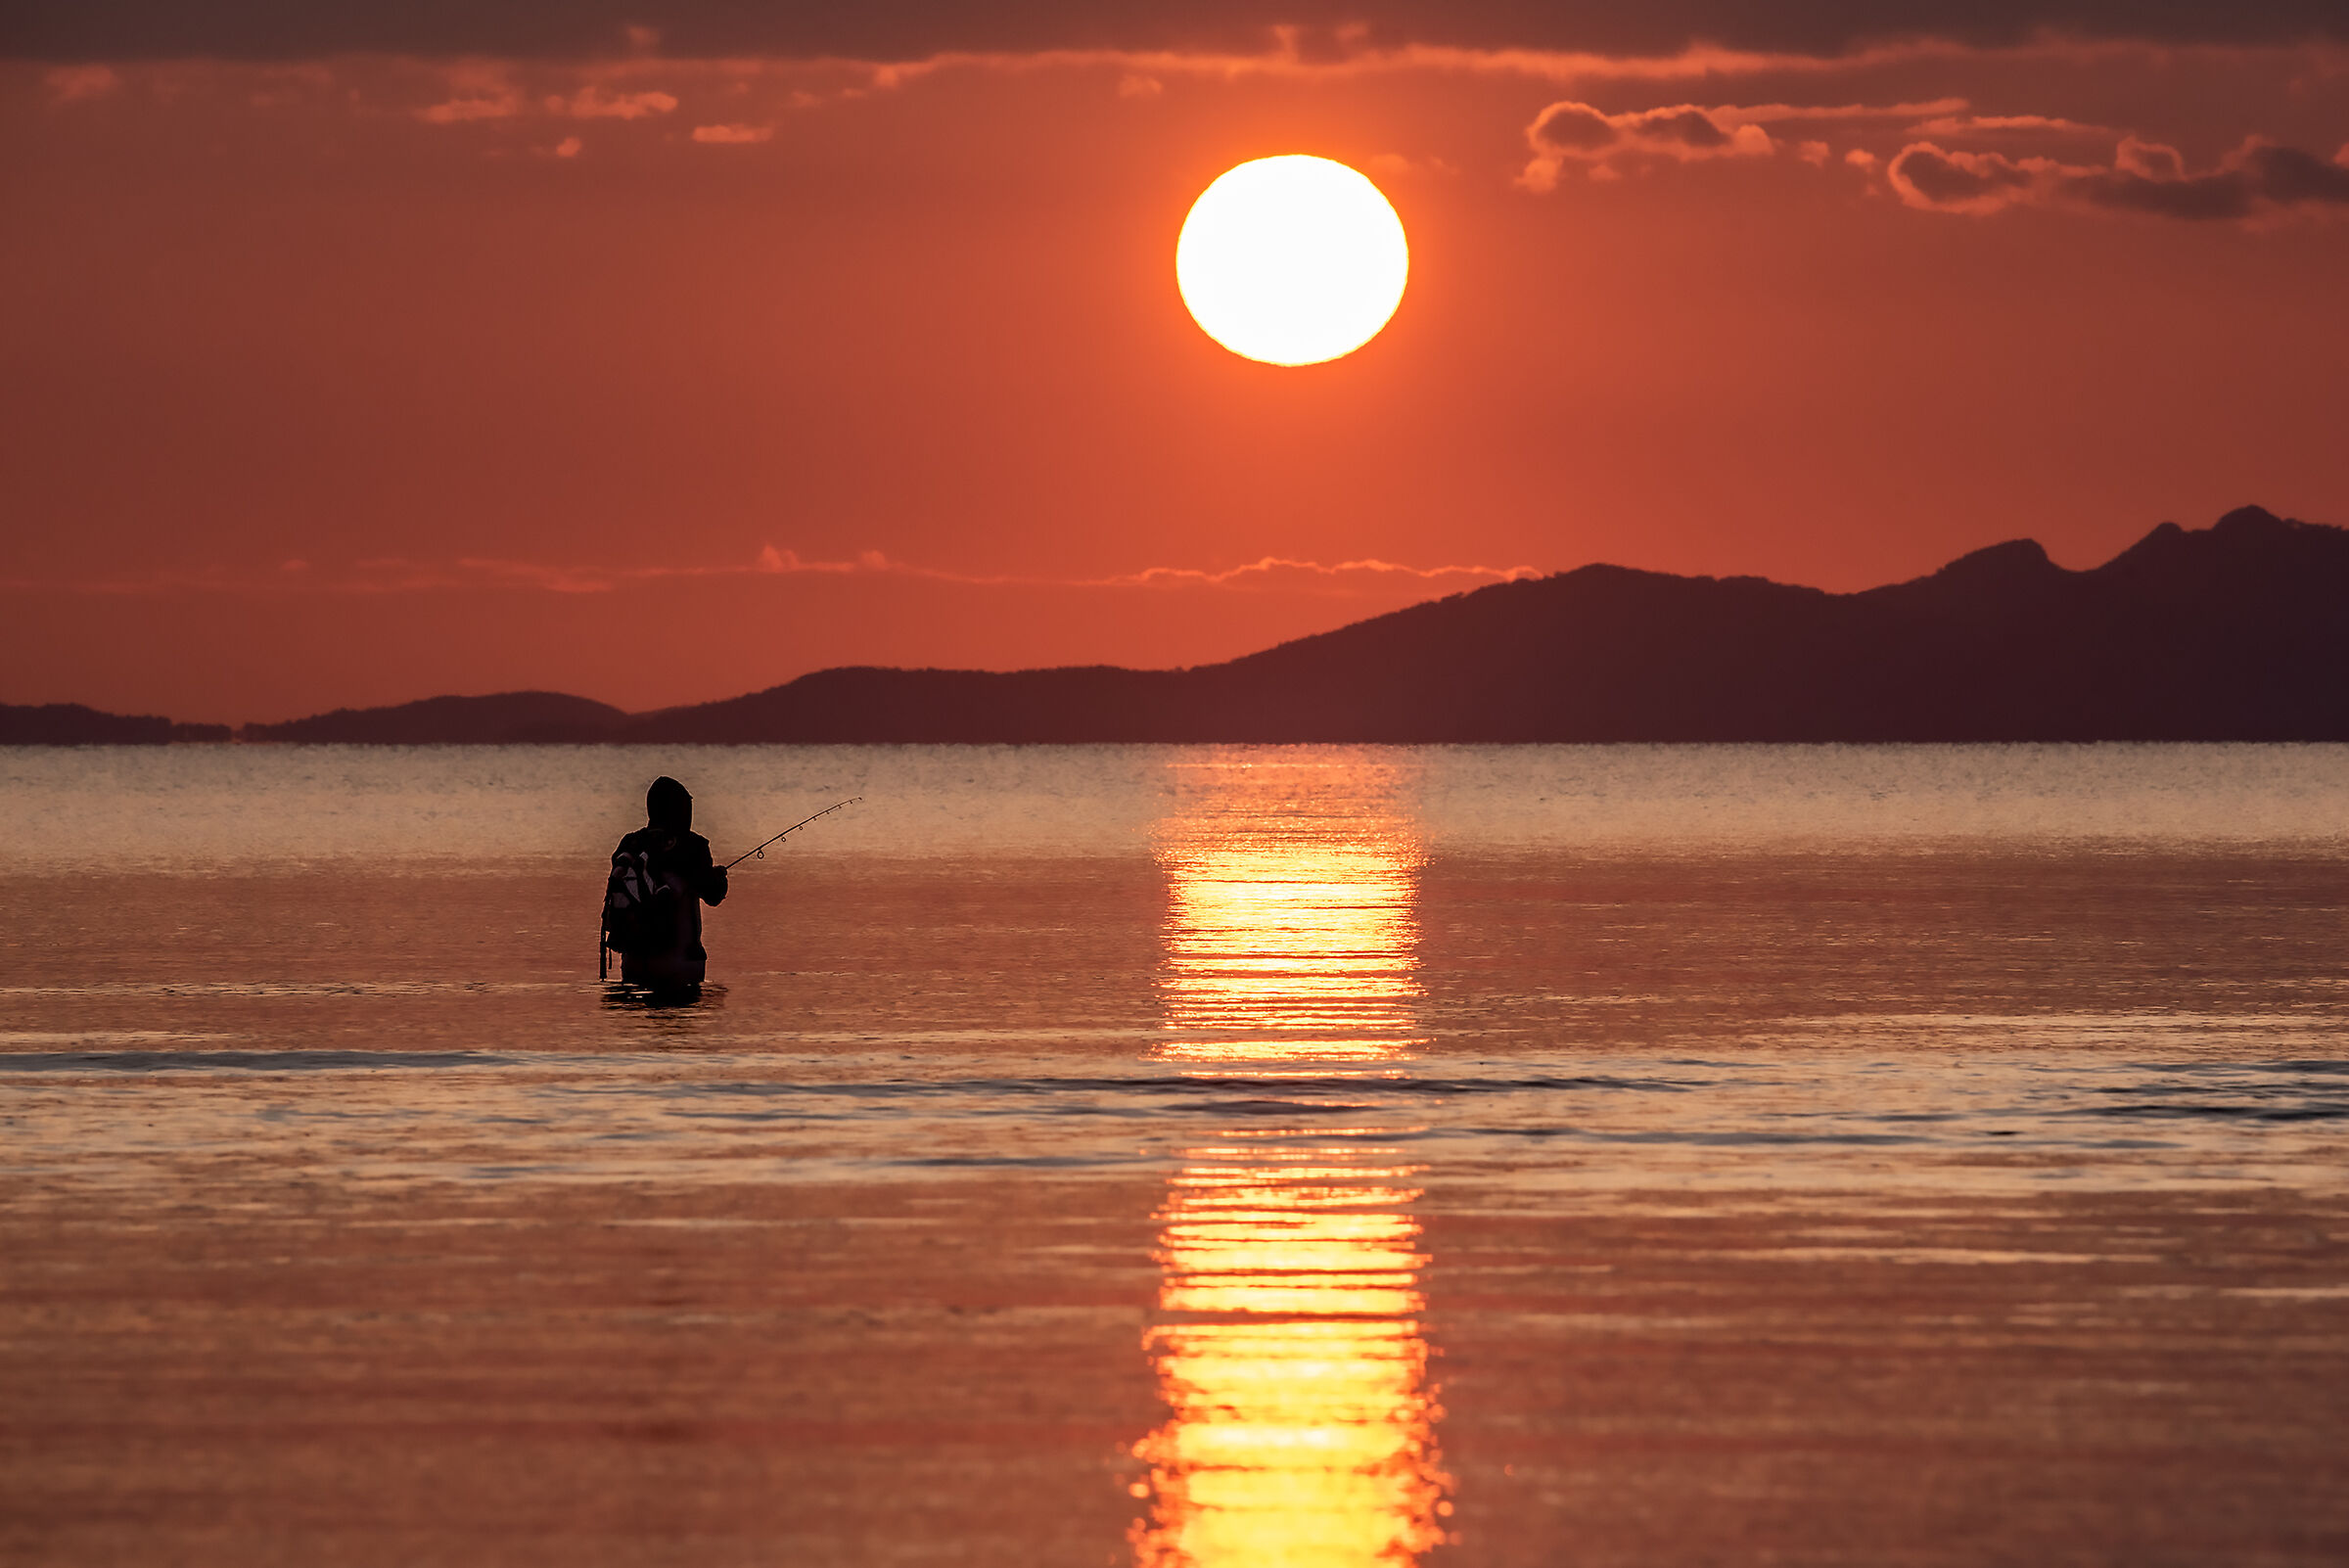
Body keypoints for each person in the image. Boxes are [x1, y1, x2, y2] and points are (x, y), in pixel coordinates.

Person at [606, 775, 728, 988]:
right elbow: (713, 894)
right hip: (681, 965)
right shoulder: (693, 845)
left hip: (634, 962)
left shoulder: (630, 844)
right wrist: (718, 877)